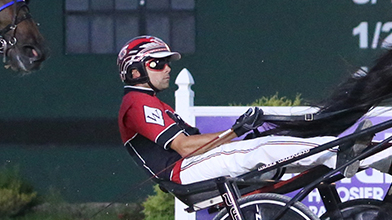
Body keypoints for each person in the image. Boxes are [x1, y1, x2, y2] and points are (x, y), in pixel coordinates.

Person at [117, 36, 346, 186]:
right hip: (182, 170)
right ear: (135, 72)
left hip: (189, 166)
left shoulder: (152, 103)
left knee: (273, 149)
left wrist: (239, 133)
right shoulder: (136, 103)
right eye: (157, 64)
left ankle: (351, 156)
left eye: (167, 62)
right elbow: (184, 147)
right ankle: (346, 152)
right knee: (263, 150)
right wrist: (236, 132)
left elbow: (195, 142)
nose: (167, 69)